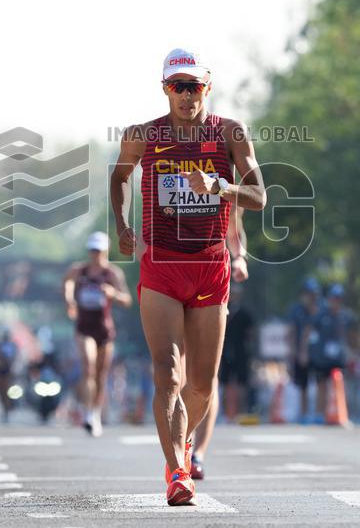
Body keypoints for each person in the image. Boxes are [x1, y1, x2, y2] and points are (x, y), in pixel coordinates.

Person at [110, 48, 265, 506]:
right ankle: (177, 471)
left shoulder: (230, 133)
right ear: (165, 89)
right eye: (177, 86)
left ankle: (184, 442)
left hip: (210, 267)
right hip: (161, 265)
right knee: (167, 374)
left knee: (201, 384)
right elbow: (119, 177)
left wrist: (222, 186)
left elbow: (259, 195)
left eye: (192, 86)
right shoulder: (142, 135)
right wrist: (122, 225)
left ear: (206, 88)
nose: (185, 94)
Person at [64, 231, 132, 437]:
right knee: (88, 366)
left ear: (106, 251)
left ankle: (95, 413)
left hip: (104, 328)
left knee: (101, 374)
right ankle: (86, 412)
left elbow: (127, 299)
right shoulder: (79, 270)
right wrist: (69, 299)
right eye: (92, 250)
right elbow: (67, 281)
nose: (95, 254)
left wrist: (113, 294)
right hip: (84, 326)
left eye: (99, 250)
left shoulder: (112, 273)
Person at [191, 278, 255, 480]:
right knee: (201, 380)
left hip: (237, 350)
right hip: (192, 300)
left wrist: (239, 262)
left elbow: (251, 333)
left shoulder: (244, 313)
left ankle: (198, 453)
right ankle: (185, 444)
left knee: (215, 381)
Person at [287, 278, 324, 423]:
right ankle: (304, 414)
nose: (312, 296)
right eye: (309, 293)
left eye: (314, 293)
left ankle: (320, 414)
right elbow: (292, 332)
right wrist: (294, 353)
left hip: (319, 354)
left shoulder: (322, 309)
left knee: (321, 383)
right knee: (303, 385)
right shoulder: (296, 310)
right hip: (302, 353)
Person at [0, 328, 18, 423]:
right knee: (0, 392)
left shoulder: (13, 346)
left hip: (9, 372)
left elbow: (16, 357)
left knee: (11, 390)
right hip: (1, 371)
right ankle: (5, 408)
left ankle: (10, 406)